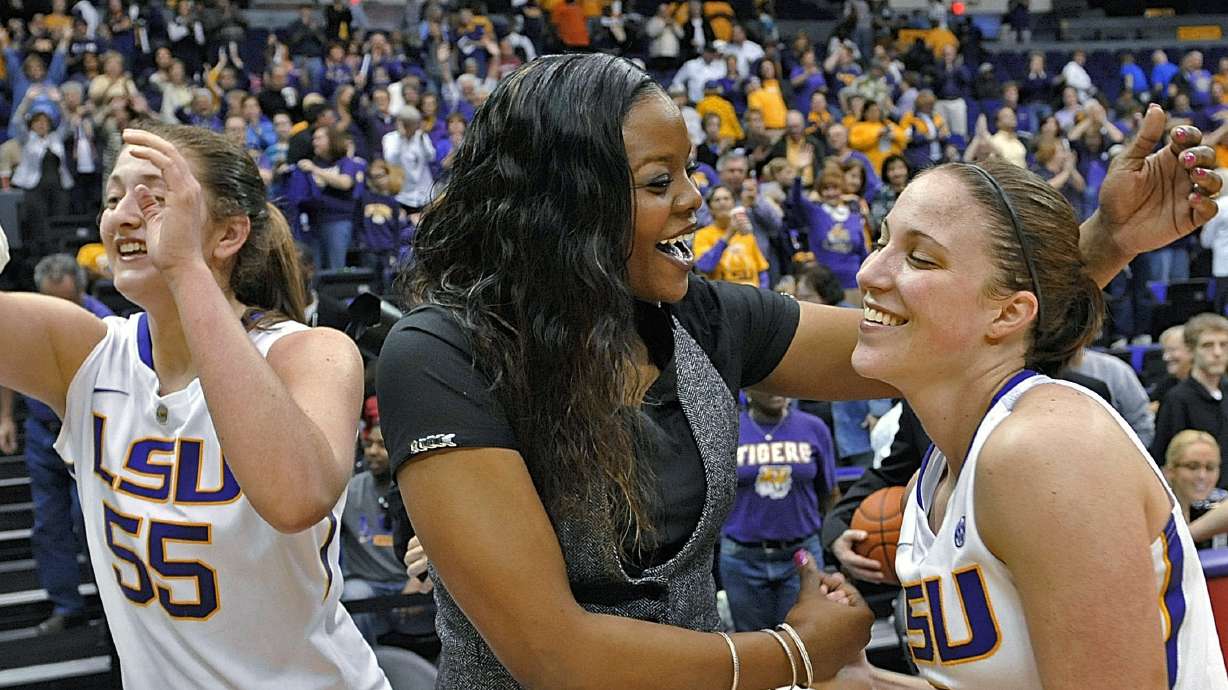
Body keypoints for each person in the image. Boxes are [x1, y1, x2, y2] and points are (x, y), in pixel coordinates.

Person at [377, 51, 1220, 688]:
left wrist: (1105, 244)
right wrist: (792, 654)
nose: (696, 201)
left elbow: (941, 331)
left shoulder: (702, 317)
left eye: (693, 171)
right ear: (565, 205)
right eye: (659, 181)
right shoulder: (443, 355)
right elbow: (550, 651)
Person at [0, 122, 388, 688]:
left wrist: (185, 269)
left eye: (155, 198)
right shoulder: (83, 351)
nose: (124, 216)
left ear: (228, 234)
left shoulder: (310, 352)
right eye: (113, 199)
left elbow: (293, 496)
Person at [855, 155, 1226, 687]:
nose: (870, 272)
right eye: (881, 241)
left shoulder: (1047, 450)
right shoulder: (938, 466)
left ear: (1009, 314)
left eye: (919, 258)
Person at [0, 255, 112, 634]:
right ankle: (67, 606)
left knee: (91, 522)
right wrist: (4, 417)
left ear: (82, 292)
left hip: (90, 428)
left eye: (68, 302)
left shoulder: (103, 323)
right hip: (42, 431)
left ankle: (115, 607)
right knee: (49, 523)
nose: (60, 312)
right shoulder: (29, 314)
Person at [721, 388, 837, 632]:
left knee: (806, 639)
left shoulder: (814, 428)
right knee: (753, 648)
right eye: (767, 383)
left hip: (801, 553)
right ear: (749, 388)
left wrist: (831, 543)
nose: (777, 389)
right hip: (742, 557)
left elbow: (829, 493)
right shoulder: (727, 429)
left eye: (784, 383)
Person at [1152, 313, 1228, 482]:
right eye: (1208, 345)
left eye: (1224, 345)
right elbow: (1164, 459)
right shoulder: (1177, 399)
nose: (1217, 352)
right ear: (1191, 350)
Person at [693, 185, 770, 288]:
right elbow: (704, 267)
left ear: (734, 204)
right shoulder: (702, 235)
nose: (722, 202)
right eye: (717, 200)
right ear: (710, 209)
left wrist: (763, 296)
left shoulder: (746, 234)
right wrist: (729, 234)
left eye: (726, 198)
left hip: (752, 295)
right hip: (724, 296)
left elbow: (762, 271)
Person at [1163, 430, 1227, 549]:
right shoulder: (1157, 508)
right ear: (1169, 471)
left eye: (1210, 468)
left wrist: (1189, 534)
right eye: (1192, 467)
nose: (1202, 476)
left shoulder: (1221, 500)